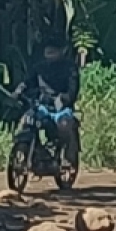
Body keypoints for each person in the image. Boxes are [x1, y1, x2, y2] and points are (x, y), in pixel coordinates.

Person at [15, 38, 81, 166]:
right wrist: (18, 91)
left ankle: (67, 156)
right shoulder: (39, 68)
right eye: (48, 51)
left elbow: (73, 90)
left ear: (62, 51)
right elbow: (27, 82)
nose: (49, 53)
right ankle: (37, 151)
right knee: (27, 121)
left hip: (61, 109)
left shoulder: (70, 68)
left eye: (53, 51)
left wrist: (64, 98)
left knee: (65, 125)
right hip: (42, 106)